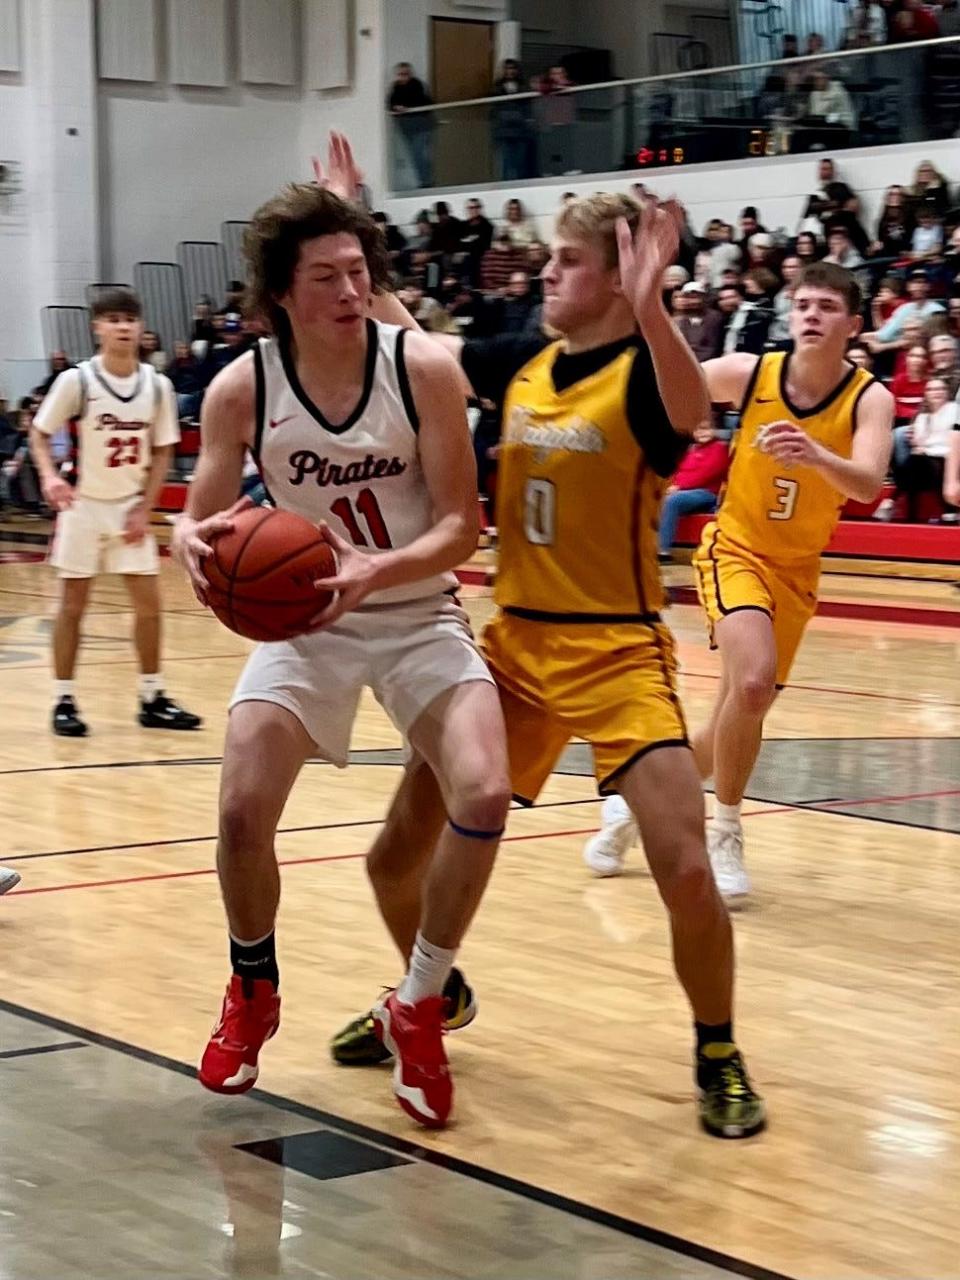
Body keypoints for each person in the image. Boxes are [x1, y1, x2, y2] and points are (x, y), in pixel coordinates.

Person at [332, 191, 767, 1140]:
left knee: (686, 867)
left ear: (614, 276)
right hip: (515, 651)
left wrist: (654, 307)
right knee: (388, 861)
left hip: (617, 651)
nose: (545, 275)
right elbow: (414, 347)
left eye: (567, 262)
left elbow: (692, 410)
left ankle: (718, 1050)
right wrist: (356, 233)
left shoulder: (647, 376)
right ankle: (427, 998)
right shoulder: (521, 364)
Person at [171, 178, 511, 1131]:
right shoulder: (245, 384)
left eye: (359, 270)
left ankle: (420, 1004)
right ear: (281, 290)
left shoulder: (422, 367)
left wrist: (381, 569)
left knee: (484, 793)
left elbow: (462, 527)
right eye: (326, 275)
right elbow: (198, 519)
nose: (350, 290)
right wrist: (188, 544)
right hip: (306, 624)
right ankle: (252, 987)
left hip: (413, 610)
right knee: (241, 809)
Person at [585, 264, 893, 904]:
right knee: (752, 681)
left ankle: (631, 799)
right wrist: (648, 309)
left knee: (733, 718)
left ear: (854, 324)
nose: (811, 314)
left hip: (798, 570)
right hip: (736, 548)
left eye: (827, 306)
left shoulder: (870, 398)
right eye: (803, 303)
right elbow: (671, 383)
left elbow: (867, 484)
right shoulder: (752, 374)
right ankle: (723, 830)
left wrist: (815, 455)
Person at [30, 288, 201, 739]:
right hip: (83, 506)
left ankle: (152, 696)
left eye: (130, 319)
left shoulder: (157, 385)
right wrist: (50, 477)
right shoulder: (77, 381)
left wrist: (146, 507)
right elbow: (39, 433)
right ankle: (63, 698)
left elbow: (163, 449)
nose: (124, 327)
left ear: (140, 328)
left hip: (129, 508)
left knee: (149, 605)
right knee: (72, 606)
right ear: (98, 327)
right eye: (114, 320)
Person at [657, 419, 729, 561]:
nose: (702, 433)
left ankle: (662, 551)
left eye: (706, 429)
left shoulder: (719, 448)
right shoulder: (692, 449)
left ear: (714, 431)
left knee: (673, 500)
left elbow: (706, 473)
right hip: (685, 491)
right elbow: (680, 473)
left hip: (707, 493)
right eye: (698, 430)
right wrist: (669, 487)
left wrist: (678, 487)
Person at [387, 62, 434, 188]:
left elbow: (422, 102)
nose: (403, 77)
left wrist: (406, 107)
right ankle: (423, 180)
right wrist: (396, 107)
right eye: (401, 74)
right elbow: (390, 103)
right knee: (414, 155)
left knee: (419, 154)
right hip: (406, 128)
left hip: (420, 126)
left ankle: (426, 182)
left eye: (406, 74)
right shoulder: (395, 88)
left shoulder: (417, 86)